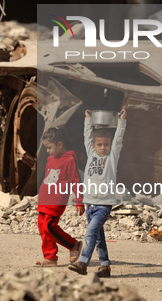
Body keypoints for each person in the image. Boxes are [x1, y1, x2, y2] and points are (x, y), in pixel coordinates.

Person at [69, 108, 127, 278]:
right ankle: (105, 266)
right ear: (93, 146)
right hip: (90, 203)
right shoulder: (91, 153)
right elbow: (87, 137)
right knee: (99, 237)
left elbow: (119, 140)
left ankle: (83, 262)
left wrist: (122, 121)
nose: (103, 148)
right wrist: (88, 119)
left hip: (104, 204)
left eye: (106, 145)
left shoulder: (111, 158)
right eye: (99, 145)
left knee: (91, 232)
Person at [36, 126, 85, 267]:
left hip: (57, 201)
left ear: (60, 144)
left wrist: (79, 201)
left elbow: (76, 182)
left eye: (49, 147)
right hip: (45, 200)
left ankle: (73, 244)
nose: (47, 151)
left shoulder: (69, 160)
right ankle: (50, 258)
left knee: (49, 227)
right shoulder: (51, 159)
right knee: (42, 227)